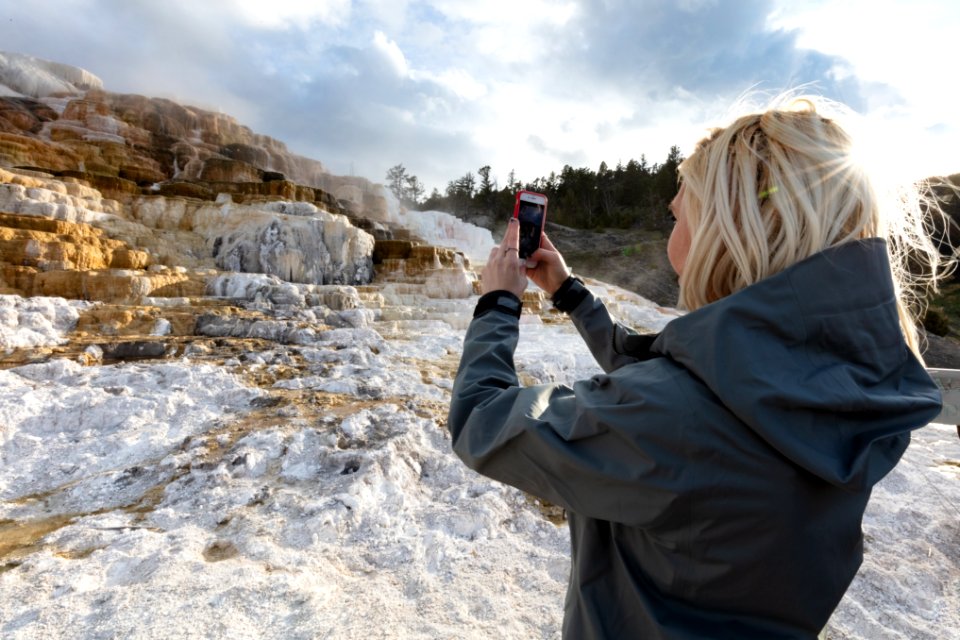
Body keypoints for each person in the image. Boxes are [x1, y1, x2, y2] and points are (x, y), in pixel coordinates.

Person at [447, 95, 950, 639]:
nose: (672, 230)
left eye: (677, 212)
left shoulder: (676, 418)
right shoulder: (845, 384)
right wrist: (569, 293)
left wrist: (498, 303)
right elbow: (685, 380)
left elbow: (482, 420)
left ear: (724, 223)